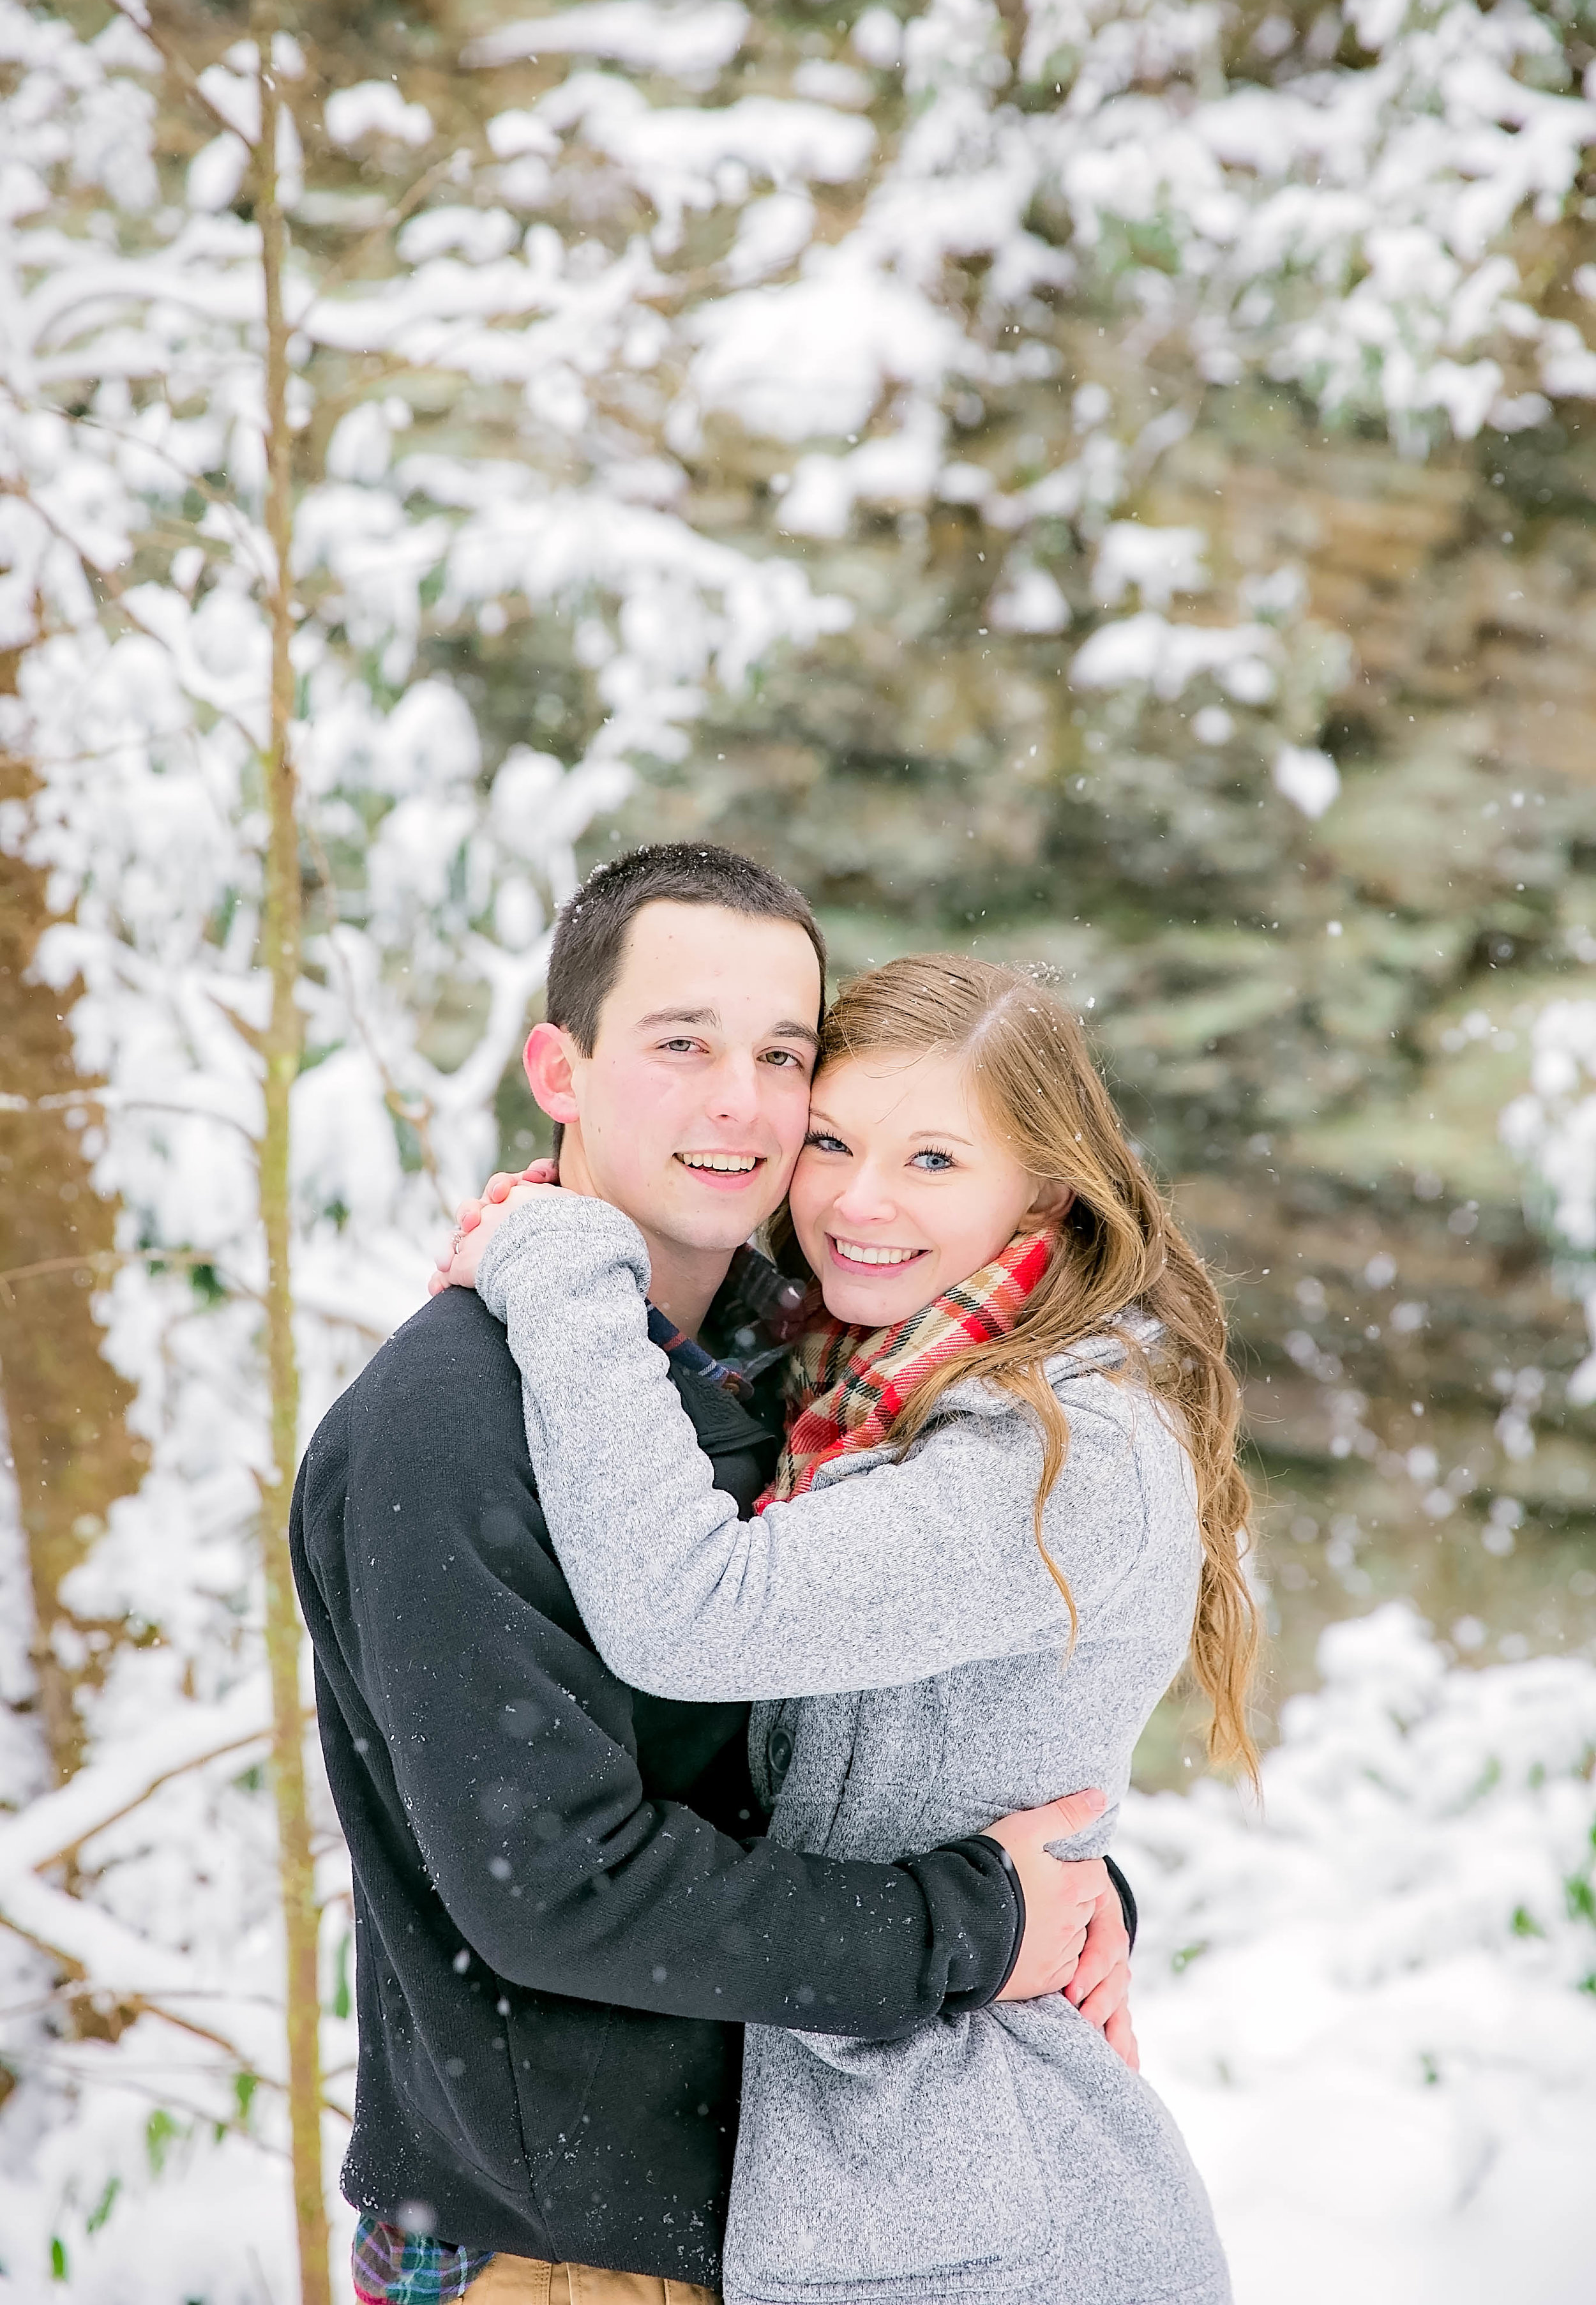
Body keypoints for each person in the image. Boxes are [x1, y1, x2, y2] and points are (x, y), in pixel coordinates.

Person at [291, 845, 1138, 2305]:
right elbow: (555, 1889)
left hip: (789, 2232)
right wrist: (975, 1925)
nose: (739, 1101)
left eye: (781, 1054)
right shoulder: (448, 1428)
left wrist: (1067, 1887)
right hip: (568, 2252)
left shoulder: (800, 1377)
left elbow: (855, 1754)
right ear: (559, 1068)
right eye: (681, 1045)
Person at [442, 948, 1258, 2305]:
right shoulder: (860, 1390)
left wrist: (560, 1257)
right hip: (889, 2199)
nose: (859, 1201)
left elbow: (691, 1617)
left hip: (995, 2233)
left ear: (1041, 1188)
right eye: (829, 1141)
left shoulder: (1061, 1453)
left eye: (933, 1160)